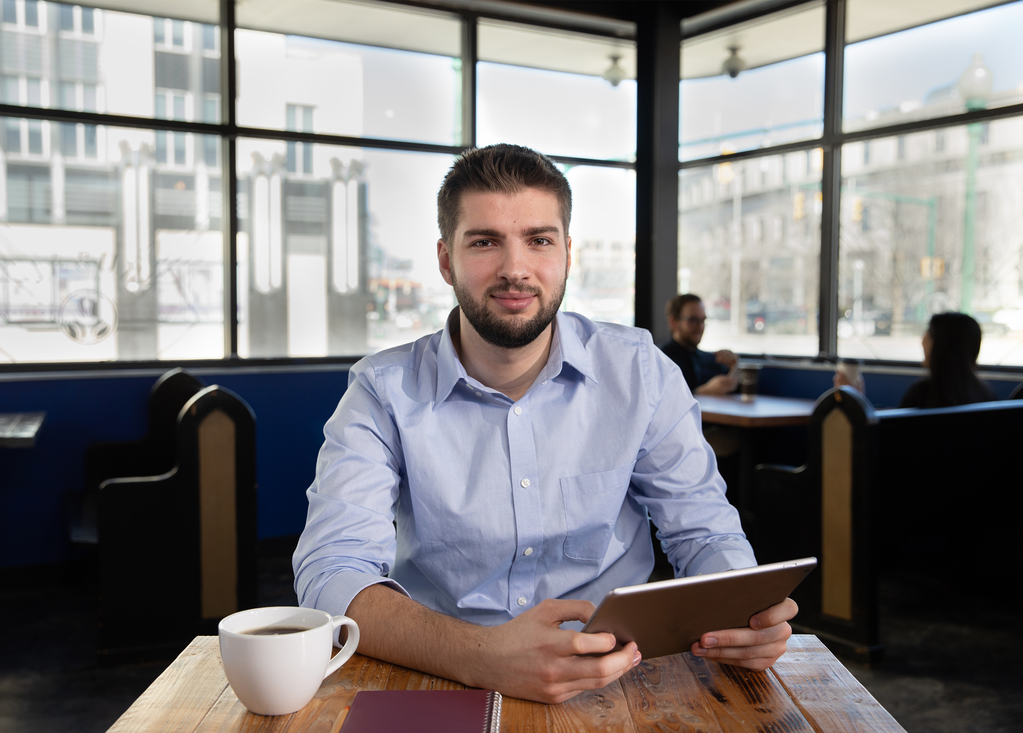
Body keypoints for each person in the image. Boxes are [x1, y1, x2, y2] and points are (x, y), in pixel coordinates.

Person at [292, 144, 796, 705]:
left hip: (614, 680)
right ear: (444, 260)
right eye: (484, 242)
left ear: (566, 253)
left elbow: (703, 532)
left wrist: (740, 612)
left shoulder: (640, 372)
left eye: (539, 240)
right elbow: (331, 574)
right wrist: (480, 657)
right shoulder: (381, 390)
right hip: (439, 674)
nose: (515, 268)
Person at [898, 312, 997, 408]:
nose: (922, 342)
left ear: (936, 347)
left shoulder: (920, 395)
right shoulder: (986, 395)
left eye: (927, 336)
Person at [659, 294, 739, 395]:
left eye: (702, 320)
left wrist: (734, 366)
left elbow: (736, 390)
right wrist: (703, 392)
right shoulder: (661, 360)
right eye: (693, 320)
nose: (700, 327)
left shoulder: (710, 359)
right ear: (673, 322)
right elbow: (663, 402)